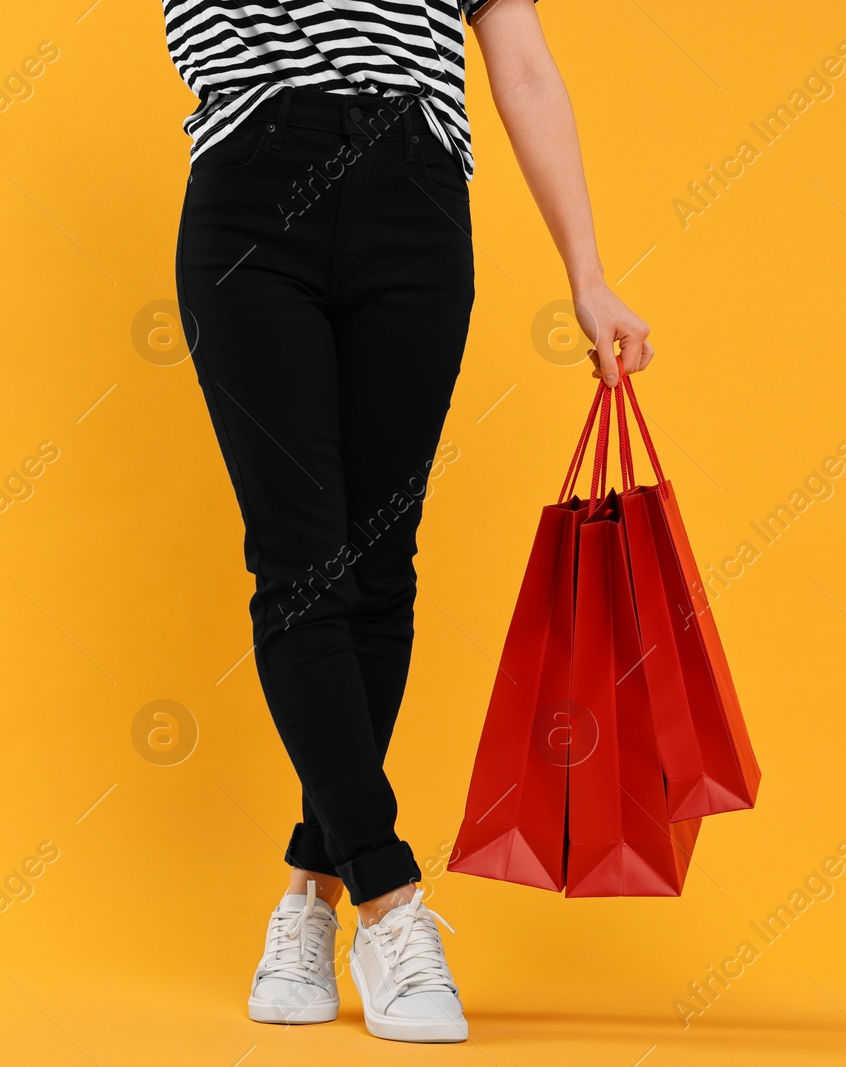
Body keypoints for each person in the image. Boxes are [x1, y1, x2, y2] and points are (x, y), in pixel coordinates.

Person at [165, 0, 654, 1043]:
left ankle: (310, 891)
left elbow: (519, 64)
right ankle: (389, 898)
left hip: (416, 196)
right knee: (303, 565)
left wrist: (588, 275)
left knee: (380, 565)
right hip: (256, 192)